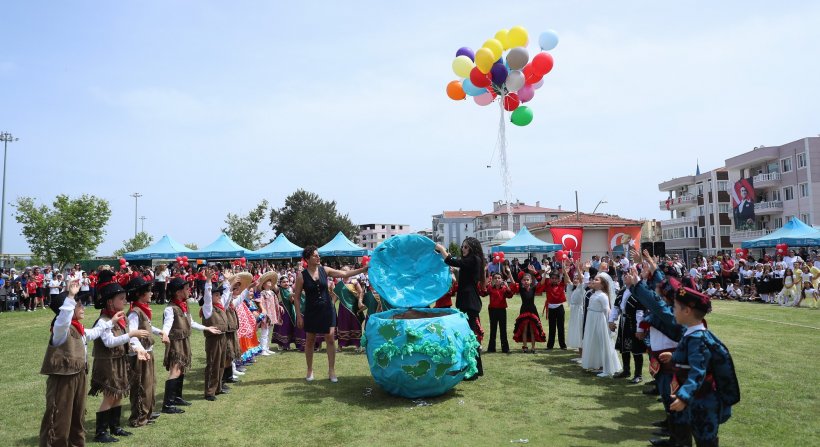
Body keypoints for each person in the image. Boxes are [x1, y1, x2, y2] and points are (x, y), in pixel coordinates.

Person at [39, 279, 120, 447]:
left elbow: (94, 332)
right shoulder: (61, 329)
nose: (83, 307)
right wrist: (70, 296)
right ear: (69, 309)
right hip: (63, 379)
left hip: (79, 376)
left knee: (78, 414)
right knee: (60, 416)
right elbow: (63, 318)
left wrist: (111, 322)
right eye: (79, 305)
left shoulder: (78, 328)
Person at [659, 286, 739, 446]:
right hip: (694, 399)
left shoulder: (697, 339)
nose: (673, 311)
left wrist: (684, 397)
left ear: (687, 311)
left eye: (675, 307)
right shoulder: (692, 334)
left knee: (705, 440)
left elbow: (698, 372)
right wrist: (674, 357)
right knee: (686, 433)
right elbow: (688, 358)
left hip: (703, 401)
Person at [89, 269, 151, 443]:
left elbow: (125, 340)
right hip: (107, 363)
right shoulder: (103, 321)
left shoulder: (120, 318)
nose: (125, 301)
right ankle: (101, 432)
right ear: (110, 302)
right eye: (121, 299)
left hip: (119, 361)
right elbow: (109, 342)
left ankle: (114, 426)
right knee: (110, 396)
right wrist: (131, 334)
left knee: (118, 395)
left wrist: (138, 349)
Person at [292, 246, 369, 382]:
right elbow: (297, 297)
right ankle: (309, 370)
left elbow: (344, 273)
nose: (318, 257)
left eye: (318, 255)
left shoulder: (325, 270)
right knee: (310, 340)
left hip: (328, 309)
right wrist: (298, 315)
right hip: (311, 311)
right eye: (315, 255)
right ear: (308, 258)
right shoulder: (301, 276)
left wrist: (363, 269)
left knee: (330, 338)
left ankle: (331, 370)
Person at [160, 277, 221, 414]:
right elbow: (167, 324)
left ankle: (177, 397)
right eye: (187, 289)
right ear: (178, 292)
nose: (189, 290)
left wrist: (206, 328)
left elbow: (191, 322)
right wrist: (164, 334)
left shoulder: (183, 305)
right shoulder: (170, 309)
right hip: (176, 342)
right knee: (175, 370)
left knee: (181, 369)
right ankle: (168, 404)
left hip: (184, 341)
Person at [435, 237, 485, 379]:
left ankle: (473, 371)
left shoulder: (474, 259)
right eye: (462, 246)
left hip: (469, 302)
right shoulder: (472, 260)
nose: (463, 249)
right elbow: (458, 267)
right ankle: (477, 369)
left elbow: (452, 261)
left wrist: (442, 249)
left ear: (472, 248)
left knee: (469, 337)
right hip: (468, 302)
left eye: (466, 247)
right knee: (469, 336)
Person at [125, 275, 163, 428]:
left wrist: (160, 332)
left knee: (150, 384)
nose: (152, 293)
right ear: (140, 294)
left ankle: (147, 413)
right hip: (139, 354)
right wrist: (141, 350)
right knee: (141, 385)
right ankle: (138, 417)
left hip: (147, 351)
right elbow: (132, 335)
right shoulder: (135, 312)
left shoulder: (143, 310)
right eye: (149, 291)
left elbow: (148, 326)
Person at [581, 272, 621, 378]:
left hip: (599, 321)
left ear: (603, 284)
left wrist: (609, 323)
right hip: (592, 319)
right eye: (594, 279)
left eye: (596, 280)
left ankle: (608, 369)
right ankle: (599, 364)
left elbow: (607, 310)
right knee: (595, 342)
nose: (593, 281)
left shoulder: (603, 296)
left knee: (603, 342)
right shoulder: (594, 294)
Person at [199, 273, 229, 401]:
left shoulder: (220, 306)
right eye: (216, 295)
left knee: (221, 363)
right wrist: (208, 281)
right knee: (213, 364)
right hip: (213, 339)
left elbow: (227, 294)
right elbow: (207, 296)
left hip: (222, 337)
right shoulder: (208, 308)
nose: (219, 296)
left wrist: (226, 280)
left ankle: (218, 387)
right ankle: (209, 391)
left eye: (219, 294)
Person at [509, 269, 547, 353]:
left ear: (531, 281)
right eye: (524, 280)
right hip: (524, 310)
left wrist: (544, 274)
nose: (526, 281)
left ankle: (533, 348)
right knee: (524, 329)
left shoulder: (533, 288)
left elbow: (541, 283)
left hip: (532, 310)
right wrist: (509, 273)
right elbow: (513, 283)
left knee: (533, 329)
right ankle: (525, 347)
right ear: (522, 281)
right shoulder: (521, 289)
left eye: (527, 280)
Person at [478, 272, 513, 353]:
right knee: (493, 329)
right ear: (493, 279)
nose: (497, 279)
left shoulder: (504, 287)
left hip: (502, 310)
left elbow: (510, 295)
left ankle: (505, 348)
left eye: (499, 278)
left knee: (503, 329)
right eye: (495, 278)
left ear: (501, 279)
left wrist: (507, 287)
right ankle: (491, 348)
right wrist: (484, 284)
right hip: (492, 310)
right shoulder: (490, 288)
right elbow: (483, 294)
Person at [542, 260, 571, 350]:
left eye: (556, 278)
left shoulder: (561, 284)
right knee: (552, 327)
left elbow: (567, 280)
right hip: (551, 308)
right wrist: (545, 274)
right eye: (552, 278)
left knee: (561, 327)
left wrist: (564, 271)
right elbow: (542, 282)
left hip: (559, 308)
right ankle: (550, 345)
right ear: (550, 278)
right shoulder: (547, 284)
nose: (554, 280)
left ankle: (562, 345)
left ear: (558, 279)